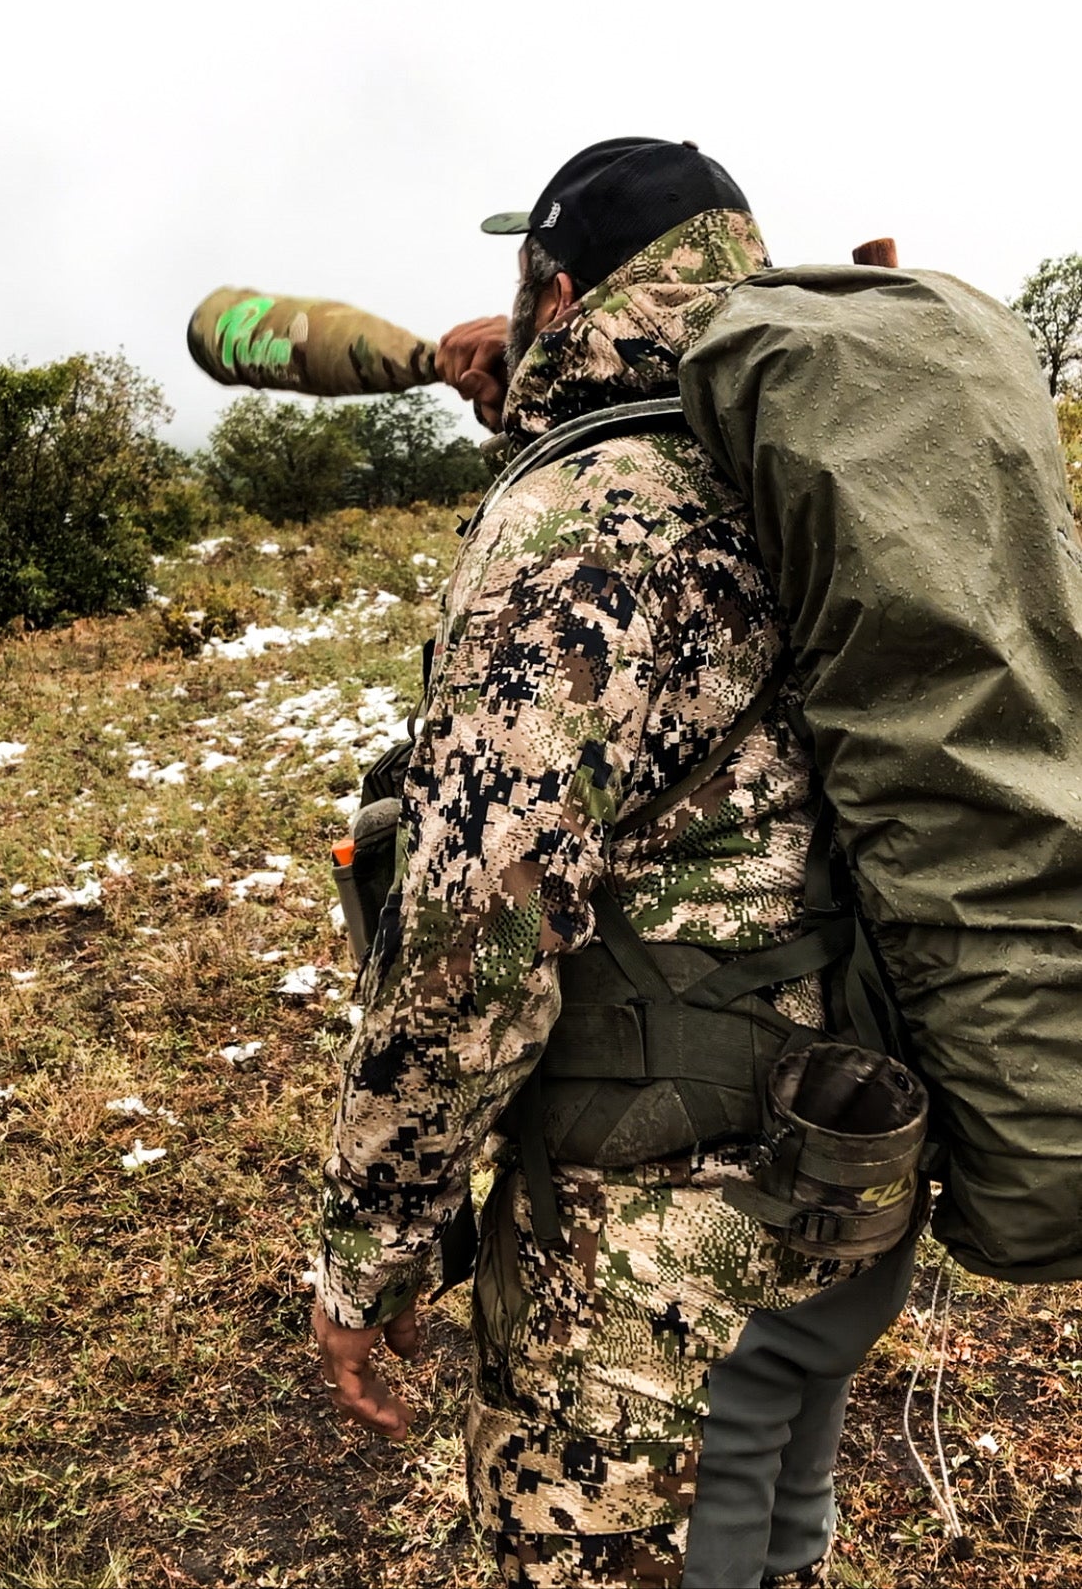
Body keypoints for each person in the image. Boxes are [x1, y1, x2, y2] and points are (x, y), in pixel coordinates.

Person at [312, 138, 921, 1589]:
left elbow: (473, 923)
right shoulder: (798, 451)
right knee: (771, 1528)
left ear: (561, 291)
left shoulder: (586, 526)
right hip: (840, 1159)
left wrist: (374, 1248)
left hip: (653, 1228)